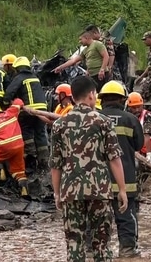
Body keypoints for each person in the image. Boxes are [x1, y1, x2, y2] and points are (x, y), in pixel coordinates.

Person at [51, 75, 127, 262]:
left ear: (73, 96)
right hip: (99, 190)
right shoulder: (103, 122)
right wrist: (122, 190)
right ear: (92, 95)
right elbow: (114, 159)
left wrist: (57, 193)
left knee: (74, 244)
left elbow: (56, 163)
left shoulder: (59, 124)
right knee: (102, 244)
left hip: (70, 191)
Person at [98, 81, 144, 258]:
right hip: (125, 179)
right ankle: (127, 249)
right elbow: (139, 145)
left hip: (98, 181)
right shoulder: (130, 119)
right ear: (123, 100)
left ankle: (94, 251)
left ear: (102, 100)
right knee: (126, 217)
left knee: (98, 220)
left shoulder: (95, 117)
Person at [3, 56, 49, 170]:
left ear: (17, 68)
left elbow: (9, 93)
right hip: (42, 110)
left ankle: (30, 160)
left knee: (27, 133)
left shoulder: (19, 77)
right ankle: (44, 162)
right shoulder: (35, 77)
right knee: (40, 134)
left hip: (28, 110)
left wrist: (5, 103)